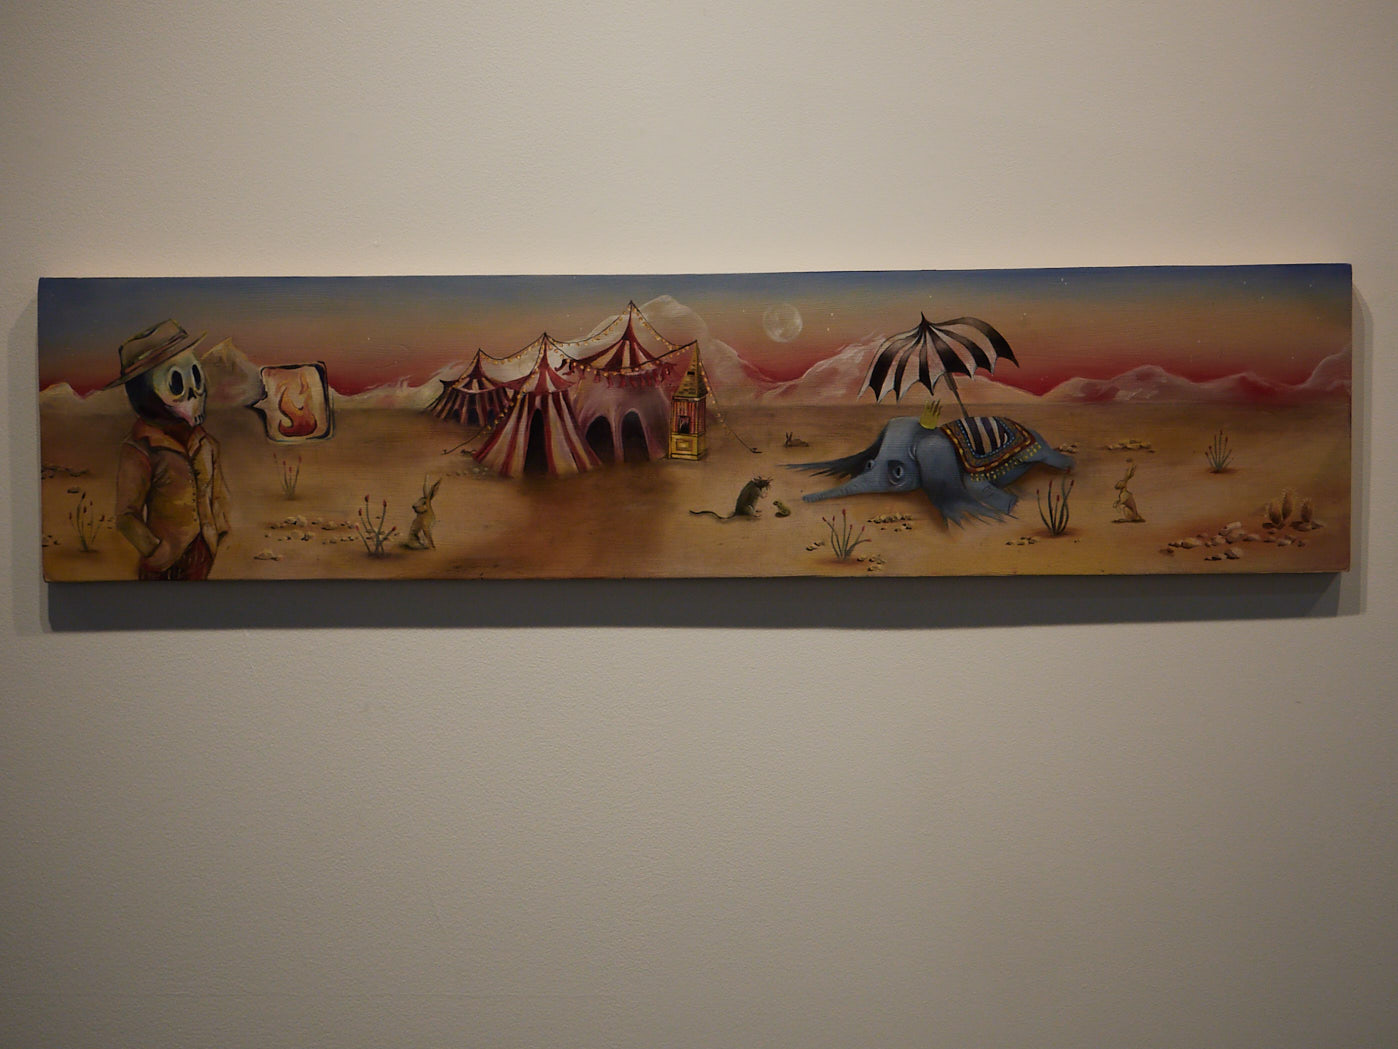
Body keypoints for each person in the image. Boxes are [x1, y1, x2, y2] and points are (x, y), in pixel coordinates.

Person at [102, 319, 230, 580]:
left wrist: (220, 532)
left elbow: (218, 496)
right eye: (176, 383)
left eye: (196, 377)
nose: (194, 394)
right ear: (146, 393)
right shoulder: (140, 449)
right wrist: (157, 551)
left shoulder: (206, 444)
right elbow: (127, 516)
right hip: (165, 568)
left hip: (206, 556)